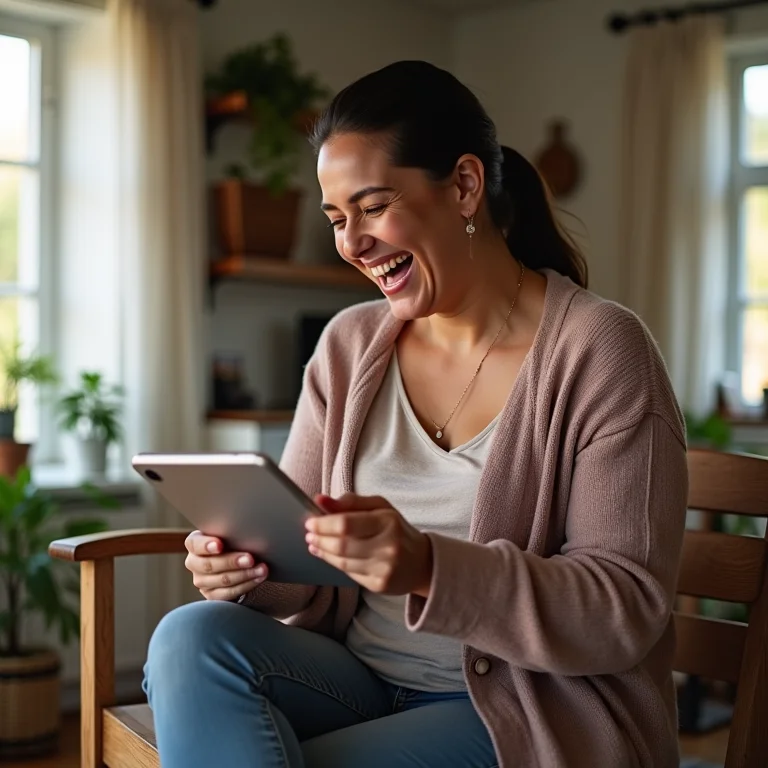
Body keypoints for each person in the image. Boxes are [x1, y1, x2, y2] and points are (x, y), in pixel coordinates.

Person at [143, 61, 688, 768]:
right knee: (188, 638)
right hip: (359, 679)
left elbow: (623, 609)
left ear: (463, 185)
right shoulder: (348, 345)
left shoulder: (600, 350)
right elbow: (303, 565)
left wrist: (428, 566)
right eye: (337, 219)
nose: (352, 243)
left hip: (522, 709)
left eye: (372, 207)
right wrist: (244, 569)